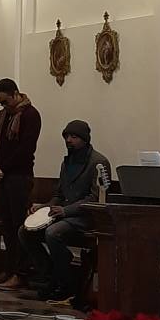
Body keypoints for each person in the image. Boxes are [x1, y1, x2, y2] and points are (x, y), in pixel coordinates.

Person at [18, 119, 110, 304]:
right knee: (24, 231)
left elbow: (95, 197)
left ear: (85, 139)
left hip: (86, 216)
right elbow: (59, 194)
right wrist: (44, 207)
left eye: (74, 137)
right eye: (67, 136)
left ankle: (65, 282)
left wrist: (65, 211)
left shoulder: (98, 162)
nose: (69, 140)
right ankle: (50, 273)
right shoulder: (67, 161)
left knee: (53, 233)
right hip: (65, 214)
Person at [0, 78, 41, 290]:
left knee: (19, 225)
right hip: (3, 176)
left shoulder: (30, 115)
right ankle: (9, 269)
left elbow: (26, 149)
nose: (3, 106)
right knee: (6, 224)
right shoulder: (3, 115)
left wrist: (3, 167)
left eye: (5, 101)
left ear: (16, 94)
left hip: (19, 177)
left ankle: (21, 273)